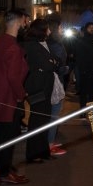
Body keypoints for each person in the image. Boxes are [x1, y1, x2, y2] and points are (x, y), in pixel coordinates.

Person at [0, 9, 30, 185]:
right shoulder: (13, 47)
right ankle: (4, 172)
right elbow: (13, 77)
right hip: (8, 100)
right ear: (18, 22)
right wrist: (21, 95)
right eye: (25, 21)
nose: (26, 25)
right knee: (8, 139)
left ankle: (3, 168)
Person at [23, 18, 57, 164]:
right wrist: (51, 63)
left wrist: (52, 63)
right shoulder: (32, 46)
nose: (49, 31)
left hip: (44, 87)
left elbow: (53, 61)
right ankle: (33, 153)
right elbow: (49, 64)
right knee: (37, 119)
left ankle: (43, 151)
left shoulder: (39, 45)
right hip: (37, 88)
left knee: (44, 118)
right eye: (47, 29)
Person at [45, 16, 68, 156]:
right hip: (55, 81)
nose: (62, 30)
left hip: (52, 80)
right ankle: (49, 144)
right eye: (60, 27)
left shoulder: (48, 43)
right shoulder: (56, 45)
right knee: (54, 112)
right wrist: (65, 69)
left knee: (52, 112)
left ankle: (49, 140)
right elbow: (57, 64)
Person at [74, 22, 93, 108]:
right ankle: (83, 112)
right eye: (90, 27)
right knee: (84, 92)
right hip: (85, 71)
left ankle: (92, 113)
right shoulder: (81, 41)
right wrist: (83, 70)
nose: (92, 29)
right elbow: (79, 56)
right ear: (86, 29)